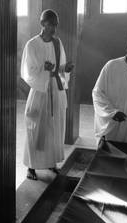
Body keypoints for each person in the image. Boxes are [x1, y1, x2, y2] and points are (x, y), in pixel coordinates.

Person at [21, 9, 74, 180]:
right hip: (40, 91)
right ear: (43, 24)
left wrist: (64, 69)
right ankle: (31, 167)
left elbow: (61, 68)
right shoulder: (32, 44)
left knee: (54, 128)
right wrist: (45, 69)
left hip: (55, 91)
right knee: (35, 128)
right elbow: (28, 71)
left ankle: (51, 162)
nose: (54, 29)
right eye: (51, 25)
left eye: (56, 25)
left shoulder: (57, 43)